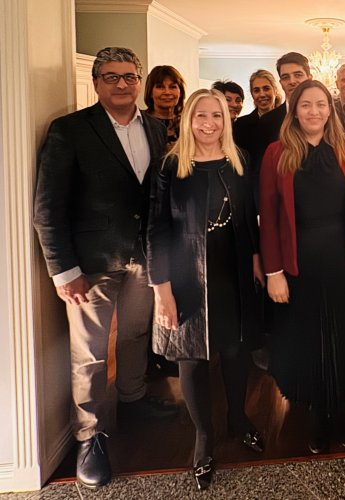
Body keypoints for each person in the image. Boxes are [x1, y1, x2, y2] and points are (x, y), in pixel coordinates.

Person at [33, 46, 177, 489]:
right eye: (111, 76)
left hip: (143, 259)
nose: (121, 84)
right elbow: (47, 207)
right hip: (90, 265)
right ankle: (89, 436)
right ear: (96, 83)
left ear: (139, 82)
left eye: (129, 76)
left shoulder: (156, 128)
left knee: (134, 335)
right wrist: (63, 270)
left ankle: (133, 397)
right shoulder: (70, 130)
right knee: (90, 354)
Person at [147, 88, 265, 490]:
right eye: (201, 115)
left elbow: (248, 217)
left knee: (234, 349)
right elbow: (156, 230)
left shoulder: (239, 160)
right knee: (192, 357)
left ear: (226, 120)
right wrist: (161, 288)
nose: (209, 123)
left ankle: (238, 418)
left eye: (217, 115)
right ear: (188, 120)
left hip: (233, 268)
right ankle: (203, 437)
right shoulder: (169, 166)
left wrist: (257, 259)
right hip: (186, 274)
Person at [259, 80, 345, 455]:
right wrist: (273, 272)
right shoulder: (277, 153)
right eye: (306, 104)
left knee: (341, 335)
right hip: (297, 263)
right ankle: (316, 412)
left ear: (330, 109)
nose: (314, 111)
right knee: (307, 336)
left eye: (321, 104)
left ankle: (340, 408)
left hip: (340, 259)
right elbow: (269, 217)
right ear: (294, 110)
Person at [233, 69, 283, 206]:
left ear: (275, 90)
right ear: (252, 94)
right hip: (252, 192)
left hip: (283, 187)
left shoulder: (287, 121)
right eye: (256, 90)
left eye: (266, 88)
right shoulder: (240, 125)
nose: (262, 94)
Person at [257, 52, 312, 160]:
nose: (292, 81)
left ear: (309, 79)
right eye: (286, 77)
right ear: (281, 83)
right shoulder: (266, 121)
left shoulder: (323, 116)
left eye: (298, 75)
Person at [144, 65, 186, 148]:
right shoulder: (141, 121)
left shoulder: (188, 122)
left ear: (180, 92)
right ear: (150, 92)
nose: (167, 92)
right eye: (160, 87)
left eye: (172, 87)